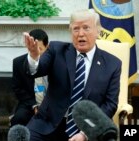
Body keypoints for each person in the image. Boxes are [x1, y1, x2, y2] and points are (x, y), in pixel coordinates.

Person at [24, 9, 121, 141]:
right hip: (47, 124)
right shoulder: (56, 50)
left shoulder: (112, 64)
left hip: (87, 127)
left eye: (86, 28)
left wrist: (85, 134)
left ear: (98, 31)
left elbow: (110, 105)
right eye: (76, 29)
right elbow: (37, 71)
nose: (80, 34)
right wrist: (34, 57)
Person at [10, 29, 49, 126]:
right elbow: (17, 89)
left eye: (39, 49)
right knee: (18, 119)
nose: (36, 51)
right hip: (29, 103)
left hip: (50, 103)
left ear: (47, 46)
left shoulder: (54, 61)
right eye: (32, 48)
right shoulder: (18, 62)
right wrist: (34, 105)